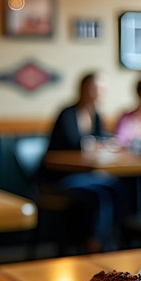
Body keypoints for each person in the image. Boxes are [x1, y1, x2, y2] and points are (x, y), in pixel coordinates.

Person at [39, 71, 122, 251]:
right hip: (59, 176)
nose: (99, 92)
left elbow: (99, 141)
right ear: (83, 89)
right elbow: (74, 144)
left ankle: (112, 241)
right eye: (95, 88)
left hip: (85, 174)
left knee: (116, 186)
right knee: (99, 195)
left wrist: (103, 144)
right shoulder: (67, 113)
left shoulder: (96, 115)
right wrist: (96, 144)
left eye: (102, 89)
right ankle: (94, 244)